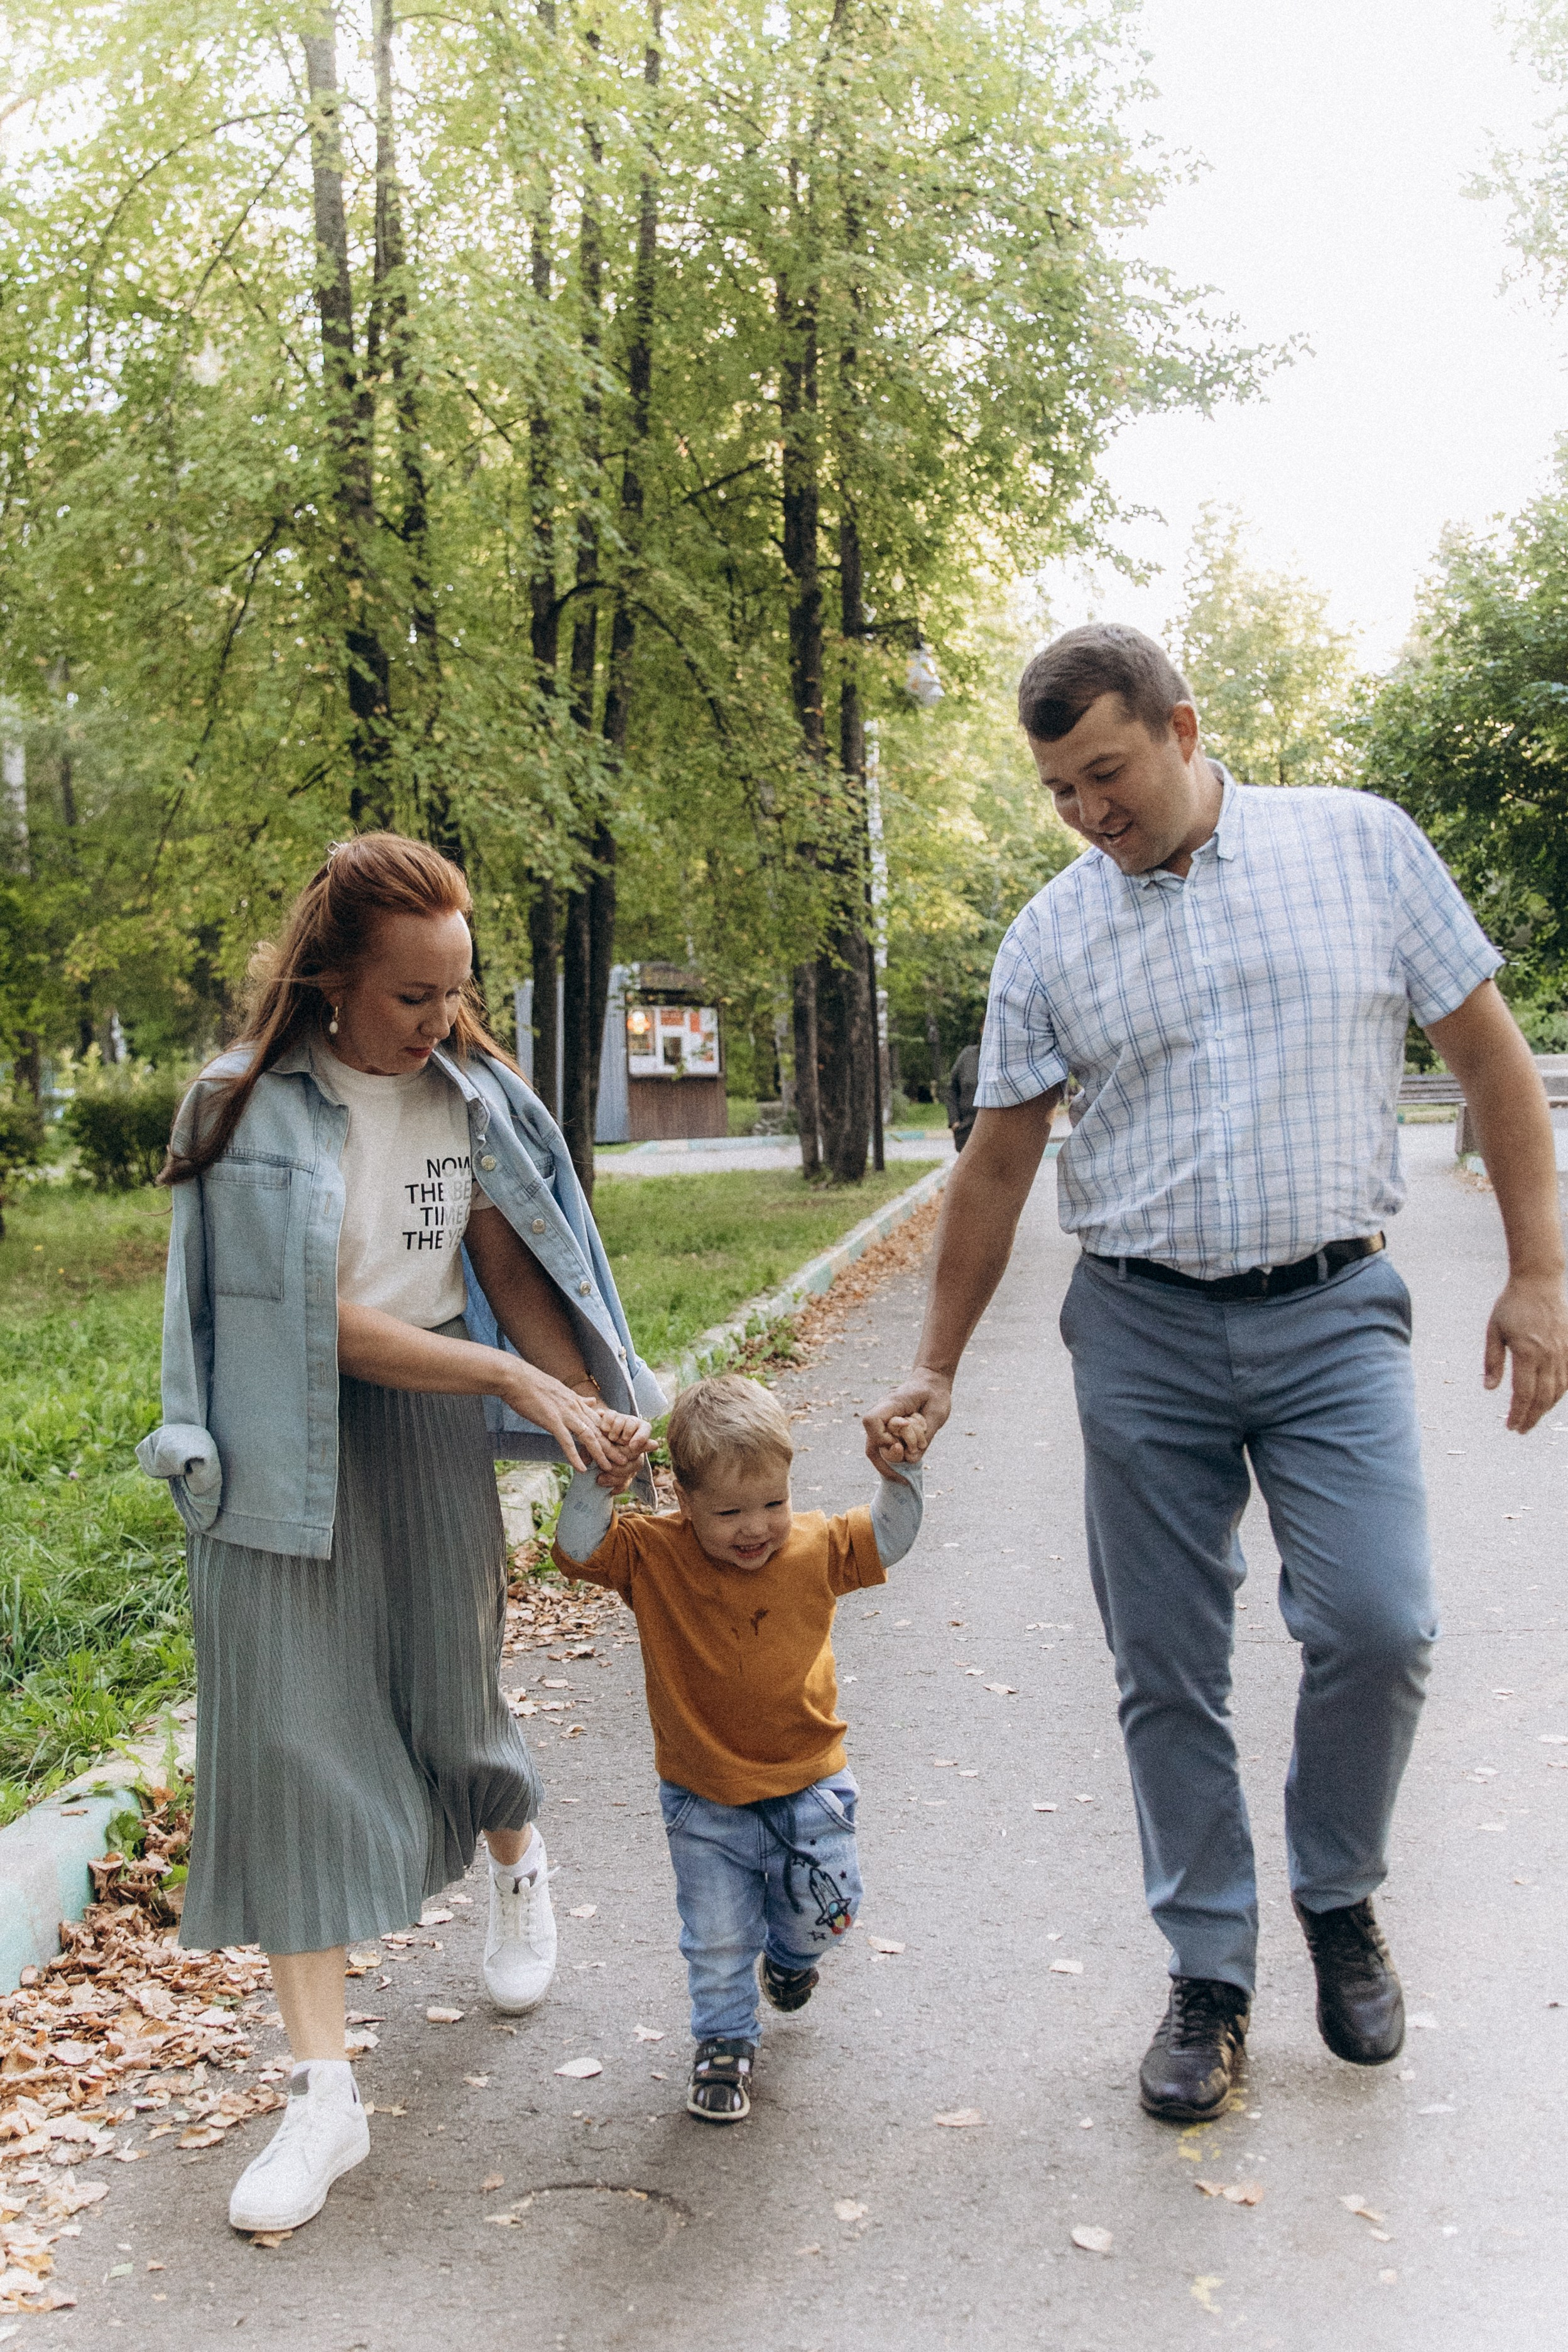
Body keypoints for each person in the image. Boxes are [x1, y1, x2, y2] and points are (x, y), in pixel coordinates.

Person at [864, 623, 1568, 2124]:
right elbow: (998, 1161)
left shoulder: (1360, 846)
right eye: (1058, 789)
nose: (1086, 811)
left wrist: (1538, 1267)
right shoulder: (1050, 933)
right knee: (1164, 1668)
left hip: (1329, 1312)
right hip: (1139, 1328)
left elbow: (1493, 1060)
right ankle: (1208, 1970)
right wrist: (933, 1363)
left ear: (1180, 727)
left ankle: (1336, 1890)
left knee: (1379, 1620)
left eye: (1104, 772)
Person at [137, 833, 660, 2233]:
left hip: (423, 1436)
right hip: (271, 1447)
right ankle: (323, 2100)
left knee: (451, 1705)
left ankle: (518, 1861)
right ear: (332, 980)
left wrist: (577, 1404)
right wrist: (509, 1378)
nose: (441, 1020)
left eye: (456, 990)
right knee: (290, 1749)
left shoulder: (469, 1103)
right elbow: (306, 1322)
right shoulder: (238, 1108)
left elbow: (512, 1272)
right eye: (412, 995)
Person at [552, 1374, 924, 2123]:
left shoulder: (816, 1545)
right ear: (683, 1503)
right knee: (717, 1938)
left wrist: (902, 1475)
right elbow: (576, 1547)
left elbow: (889, 1536)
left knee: (829, 1914)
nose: (755, 1528)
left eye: (773, 1504)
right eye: (728, 1512)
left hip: (811, 1784)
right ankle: (723, 2042)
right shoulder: (652, 1552)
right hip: (703, 1796)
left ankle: (791, 1961)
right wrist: (599, 1480)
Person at [945, 1040, 981, 1152]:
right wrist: (954, 1121)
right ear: (981, 1029)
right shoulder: (968, 1056)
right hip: (968, 1130)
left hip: (1000, 1132)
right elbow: (952, 1089)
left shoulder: (1008, 1059)